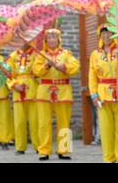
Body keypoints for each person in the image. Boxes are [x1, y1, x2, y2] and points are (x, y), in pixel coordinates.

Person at [32, 28, 80, 161]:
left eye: (54, 37)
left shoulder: (66, 54)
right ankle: (44, 150)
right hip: (44, 92)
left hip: (63, 91)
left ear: (58, 40)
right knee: (43, 123)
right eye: (49, 38)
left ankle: (63, 150)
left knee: (64, 122)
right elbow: (35, 70)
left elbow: (75, 67)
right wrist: (46, 66)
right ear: (46, 40)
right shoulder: (40, 55)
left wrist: (62, 67)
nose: (52, 40)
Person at [88, 24, 118, 163]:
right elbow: (92, 76)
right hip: (103, 94)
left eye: (109, 33)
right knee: (106, 129)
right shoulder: (95, 54)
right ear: (100, 36)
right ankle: (108, 158)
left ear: (113, 35)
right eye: (103, 34)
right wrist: (94, 95)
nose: (106, 36)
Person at [6, 42, 39, 155]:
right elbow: (7, 73)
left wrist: (38, 74)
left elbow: (41, 70)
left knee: (35, 121)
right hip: (18, 92)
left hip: (33, 91)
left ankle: (39, 146)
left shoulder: (37, 55)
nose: (24, 42)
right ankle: (20, 147)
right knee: (19, 122)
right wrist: (14, 84)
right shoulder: (13, 56)